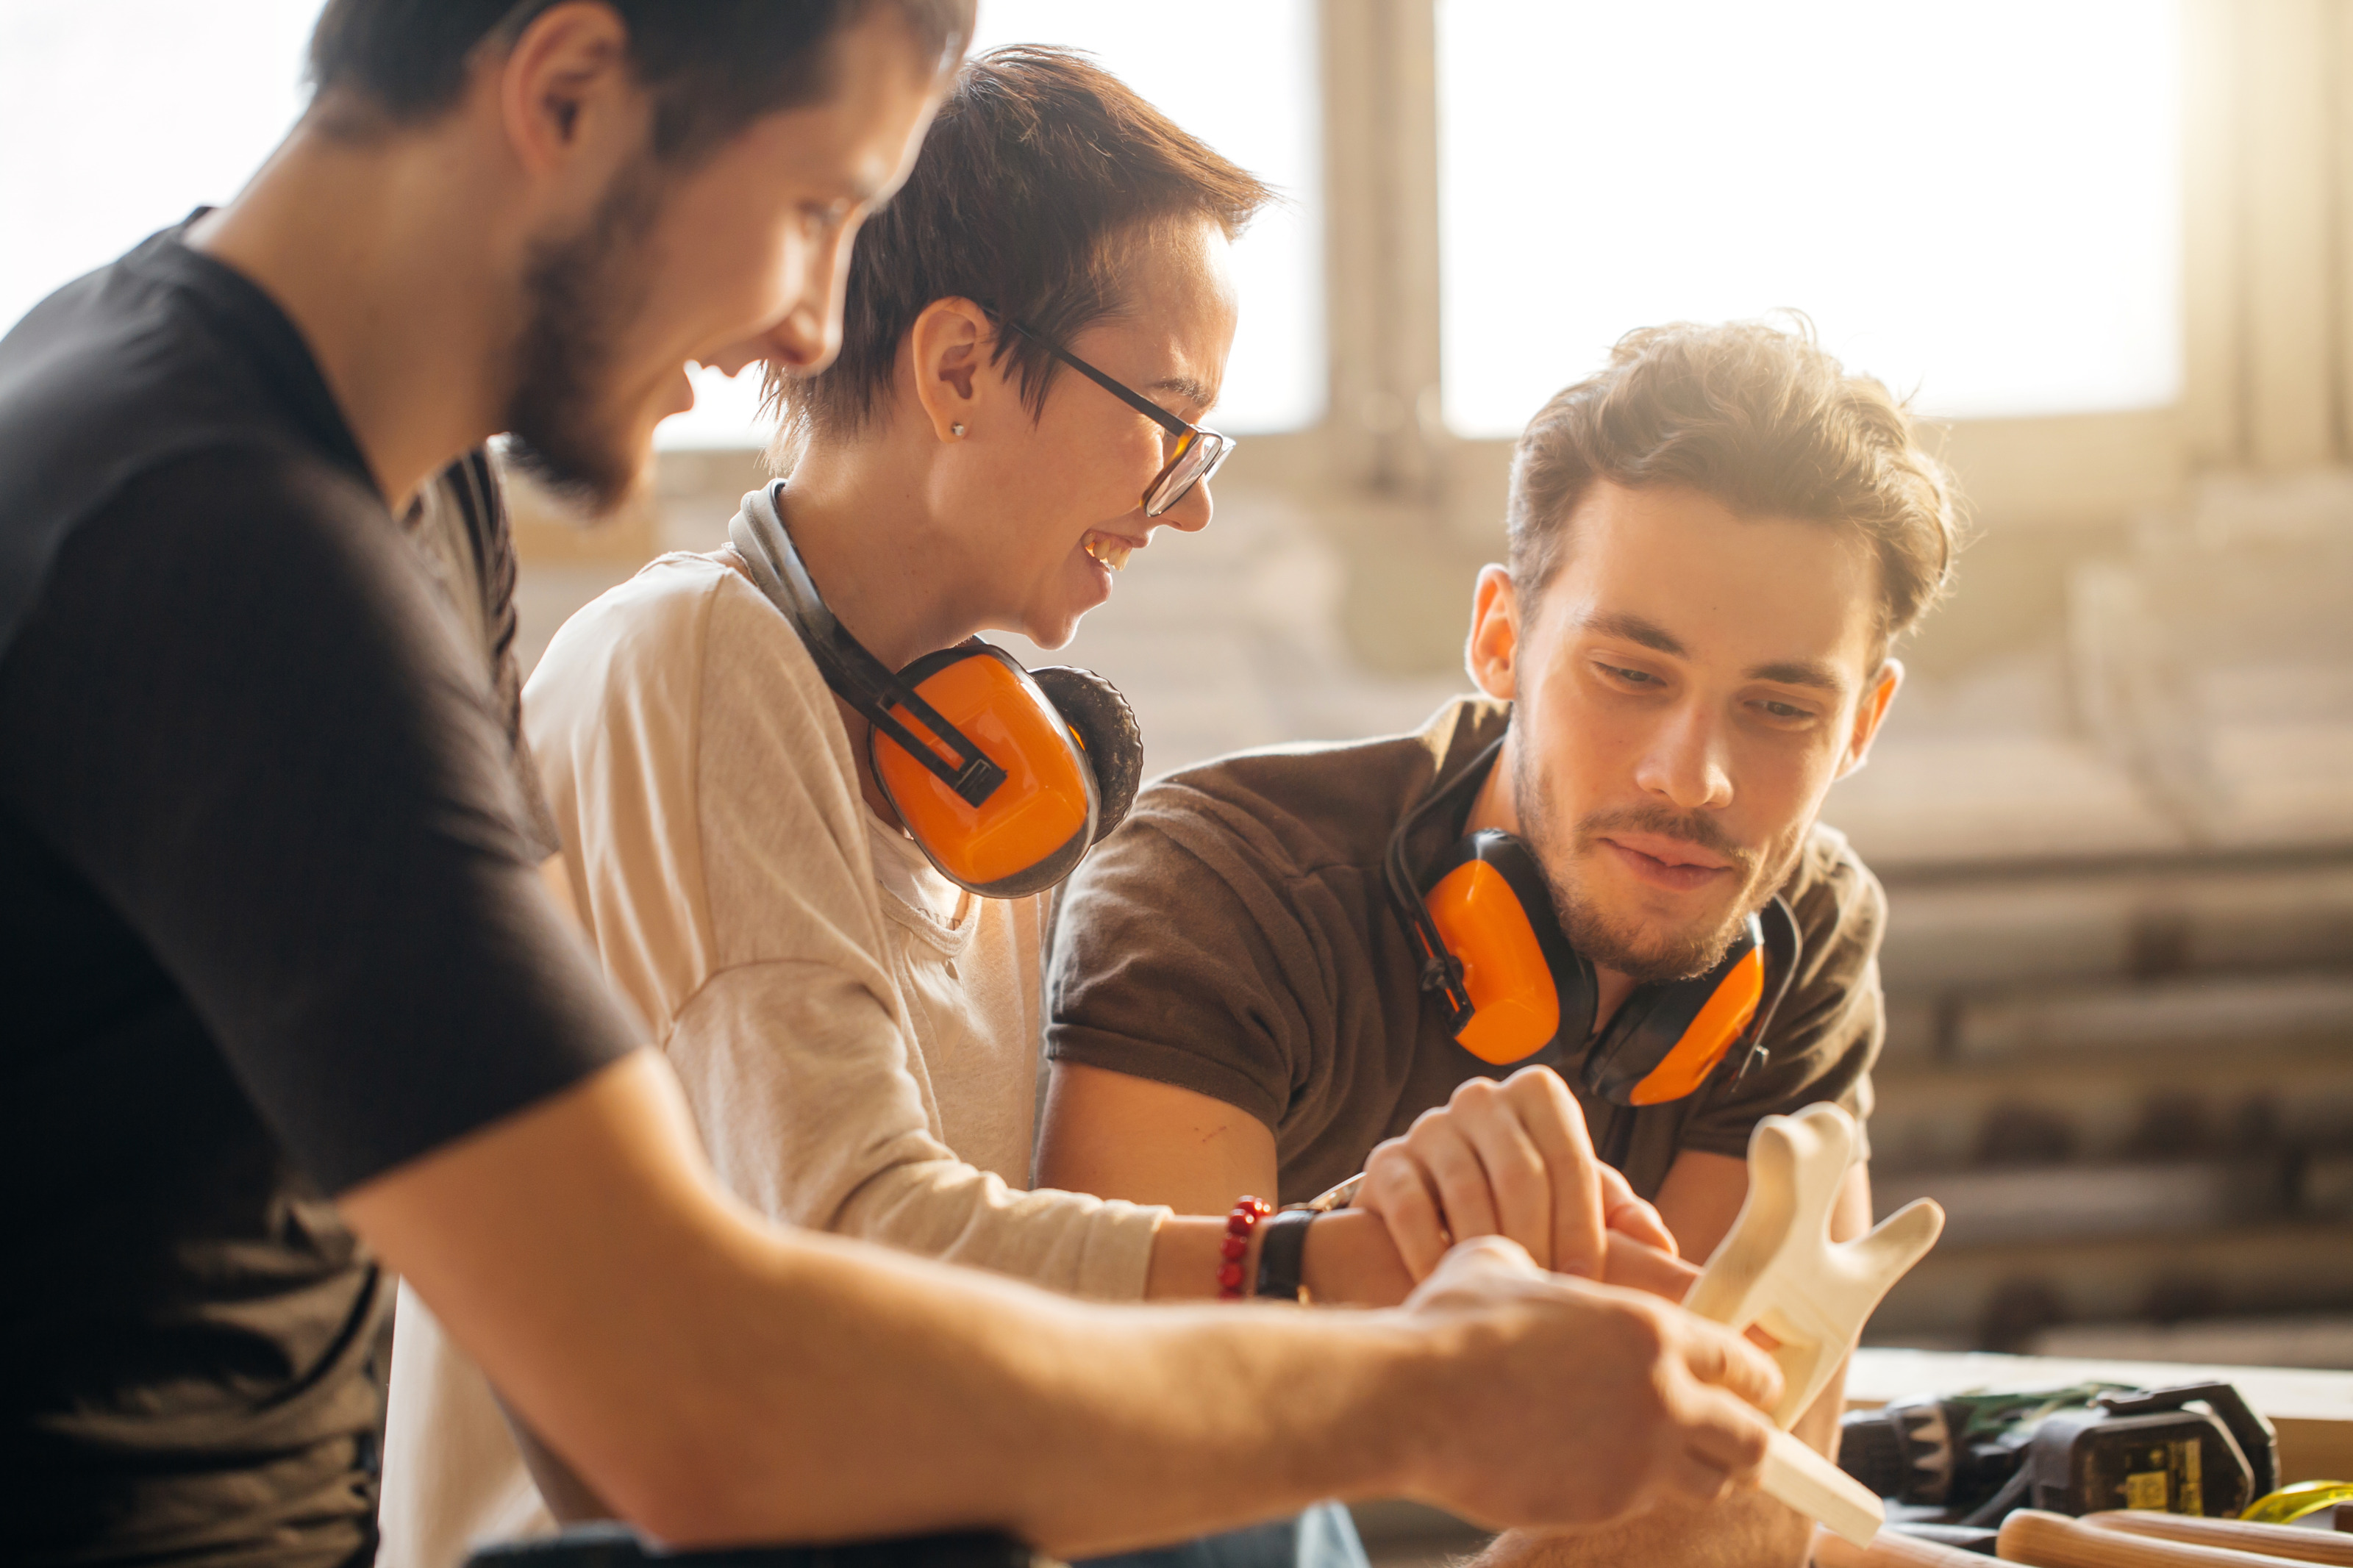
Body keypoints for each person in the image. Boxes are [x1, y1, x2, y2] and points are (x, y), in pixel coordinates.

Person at [0, 4, 1787, 1564]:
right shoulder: (215, 544)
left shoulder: (382, 498)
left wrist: (1344, 1285)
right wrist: (1411, 1380)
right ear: (564, 90)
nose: (803, 324)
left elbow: (627, 1252)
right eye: (808, 212)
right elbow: (697, 1401)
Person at [1038, 319, 1965, 1568]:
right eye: (1630, 672)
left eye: (1783, 708)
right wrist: (1363, 1251)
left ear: (1864, 723)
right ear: (1501, 636)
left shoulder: (1806, 929)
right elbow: (1129, 1462)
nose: (1693, 779)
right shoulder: (1217, 892)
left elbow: (1727, 1495)